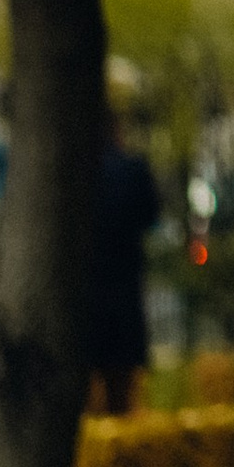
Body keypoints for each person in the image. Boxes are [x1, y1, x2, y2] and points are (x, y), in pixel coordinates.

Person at [91, 105, 161, 416]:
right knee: (123, 395)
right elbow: (151, 215)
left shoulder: (71, 174)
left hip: (83, 297)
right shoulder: (132, 170)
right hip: (124, 294)